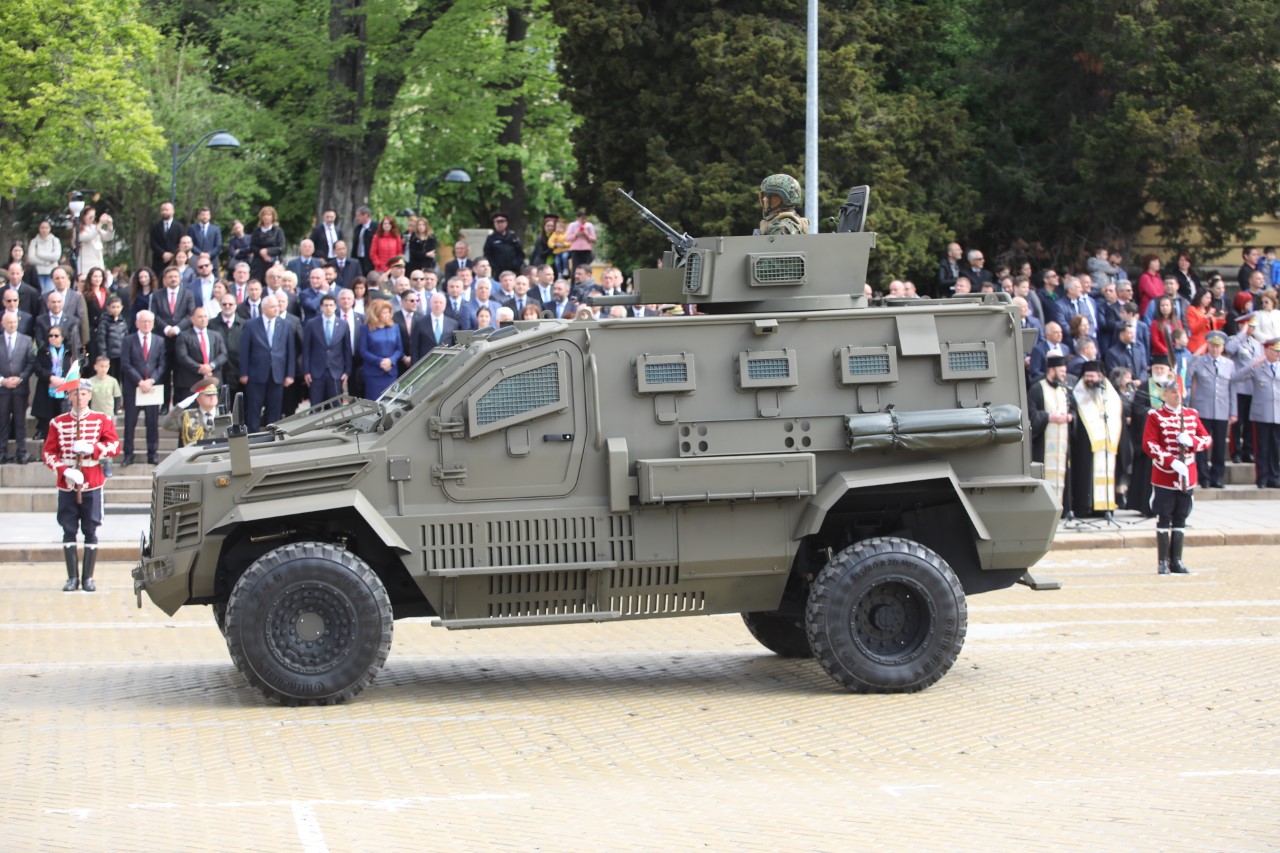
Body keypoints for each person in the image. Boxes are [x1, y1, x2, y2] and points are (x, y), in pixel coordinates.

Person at [43, 379, 119, 591]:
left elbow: (114, 446)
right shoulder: (58, 422)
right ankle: (72, 578)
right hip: (68, 482)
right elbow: (48, 452)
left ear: (90, 396)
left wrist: (93, 448)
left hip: (92, 480)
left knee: (90, 528)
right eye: (75, 394)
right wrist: (64, 470)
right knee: (68, 528)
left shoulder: (102, 419)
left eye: (84, 394)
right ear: (69, 397)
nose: (80, 398)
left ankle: (88, 578)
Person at [1142, 374, 1210, 574]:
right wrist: (1171, 461)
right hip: (1165, 475)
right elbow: (1149, 444)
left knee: (1181, 517)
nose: (1177, 396)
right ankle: (1163, 561)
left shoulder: (1191, 414)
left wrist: (1193, 442)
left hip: (1187, 475)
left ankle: (1176, 561)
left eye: (1179, 392)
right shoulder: (1155, 416)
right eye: (1173, 392)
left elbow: (1206, 439)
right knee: (1164, 517)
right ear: (1165, 394)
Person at [1068, 361, 1123, 518]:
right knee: (1085, 475)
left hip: (1105, 443)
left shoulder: (1109, 393)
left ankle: (1104, 508)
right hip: (1084, 444)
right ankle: (1085, 508)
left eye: (1092, 376)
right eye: (1087, 376)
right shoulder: (1078, 392)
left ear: (1100, 376)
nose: (1090, 379)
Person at [239, 294, 295, 431]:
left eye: (277, 306)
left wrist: (290, 374)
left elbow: (290, 351)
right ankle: (252, 436)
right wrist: (244, 373)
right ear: (264, 309)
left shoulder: (286, 324)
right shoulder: (251, 325)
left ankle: (273, 436)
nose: (276, 309)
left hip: (277, 374)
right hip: (256, 374)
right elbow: (244, 351)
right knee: (254, 408)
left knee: (274, 409)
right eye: (272, 307)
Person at [1027, 354, 1073, 511]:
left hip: (1062, 445)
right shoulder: (1037, 388)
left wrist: (1070, 417)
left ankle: (1062, 509)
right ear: (1051, 370)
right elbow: (1031, 415)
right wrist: (1048, 417)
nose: (1064, 374)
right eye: (1061, 371)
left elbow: (1073, 410)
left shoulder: (1064, 390)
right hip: (1043, 445)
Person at [1189, 331, 1235, 488]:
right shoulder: (1199, 361)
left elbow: (1232, 388)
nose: (1215, 349)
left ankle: (1217, 476)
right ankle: (1204, 477)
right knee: (1201, 444)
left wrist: (1233, 411)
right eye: (1212, 346)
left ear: (1222, 348)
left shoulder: (1229, 364)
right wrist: (1196, 354)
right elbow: (1187, 372)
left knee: (1220, 445)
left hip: (1222, 408)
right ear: (1207, 346)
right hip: (1203, 408)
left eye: (1218, 346)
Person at [119, 309, 165, 466]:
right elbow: (125, 363)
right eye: (143, 321)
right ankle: (128, 454)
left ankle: (152, 454)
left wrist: (151, 380)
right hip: (133, 387)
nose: (146, 324)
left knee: (152, 423)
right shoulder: (128, 340)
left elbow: (162, 364)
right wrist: (140, 381)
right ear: (137, 323)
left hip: (152, 388)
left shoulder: (159, 340)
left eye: (149, 321)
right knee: (129, 423)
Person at [1236, 337, 1280, 488]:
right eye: (1275, 350)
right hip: (1261, 413)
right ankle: (1262, 478)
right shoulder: (1258, 368)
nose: (1278, 353)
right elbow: (1237, 377)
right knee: (1261, 447)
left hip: (1277, 414)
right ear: (1267, 351)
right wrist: (1251, 366)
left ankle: (1274, 477)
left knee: (1276, 447)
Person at [303, 293, 352, 405]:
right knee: (316, 406)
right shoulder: (312, 324)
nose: (328, 308)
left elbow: (347, 349)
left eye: (331, 305)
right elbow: (306, 349)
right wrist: (306, 371)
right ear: (321, 307)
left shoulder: (343, 324)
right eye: (326, 305)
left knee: (335, 406)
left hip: (336, 371)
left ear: (335, 307)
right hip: (316, 372)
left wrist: (347, 371)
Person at [1225, 312, 1261, 462]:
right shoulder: (1235, 340)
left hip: (1252, 387)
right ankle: (1236, 452)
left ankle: (1248, 450)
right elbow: (1229, 350)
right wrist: (1242, 334)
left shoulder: (1257, 344)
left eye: (1253, 326)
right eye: (1249, 325)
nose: (1251, 329)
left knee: (1249, 422)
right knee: (1237, 422)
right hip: (1239, 387)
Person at [0, 311, 35, 463]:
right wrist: (2, 380)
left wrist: (20, 378)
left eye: (14, 322)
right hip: (2, 389)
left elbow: (31, 362)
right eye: (9, 322)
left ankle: (22, 452)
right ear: (3, 324)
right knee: (2, 422)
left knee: (20, 422)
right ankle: (1, 452)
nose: (12, 325)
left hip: (20, 389)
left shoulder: (26, 340)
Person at [162, 376, 223, 447]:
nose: (212, 397)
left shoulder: (224, 415)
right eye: (208, 395)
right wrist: (180, 406)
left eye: (214, 394)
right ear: (198, 398)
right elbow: (167, 424)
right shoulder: (187, 416)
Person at [359, 298, 401, 399]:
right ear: (376, 314)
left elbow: (399, 349)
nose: (387, 315)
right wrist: (380, 361)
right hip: (374, 373)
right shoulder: (366, 328)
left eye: (388, 312)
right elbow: (363, 351)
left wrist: (391, 360)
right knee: (375, 403)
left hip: (390, 372)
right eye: (384, 312)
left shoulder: (394, 327)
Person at [87, 356, 121, 477]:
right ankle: (96, 462)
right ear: (95, 367)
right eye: (101, 366)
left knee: (108, 440)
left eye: (106, 366)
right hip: (95, 416)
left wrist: (115, 413)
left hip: (108, 416)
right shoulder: (90, 381)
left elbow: (117, 397)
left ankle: (107, 463)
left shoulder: (112, 381)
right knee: (95, 440)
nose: (103, 369)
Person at [411, 292, 457, 359]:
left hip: (446, 363)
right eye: (435, 302)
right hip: (425, 363)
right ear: (430, 304)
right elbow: (414, 348)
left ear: (445, 305)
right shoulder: (420, 323)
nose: (438, 305)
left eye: (441, 302)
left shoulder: (453, 324)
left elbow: (455, 346)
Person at [248, 206, 286, 284]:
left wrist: (267, 251)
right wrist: (261, 253)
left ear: (273, 217)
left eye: (269, 215)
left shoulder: (278, 231)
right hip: (258, 263)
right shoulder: (256, 231)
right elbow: (252, 246)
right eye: (264, 215)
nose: (266, 217)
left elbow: (281, 248)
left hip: (273, 262)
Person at [75, 207, 114, 277]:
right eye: (90, 217)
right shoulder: (78, 229)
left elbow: (108, 237)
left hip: (98, 261)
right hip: (86, 263)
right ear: (83, 217)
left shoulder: (94, 227)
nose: (92, 219)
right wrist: (100, 223)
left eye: (94, 217)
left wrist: (110, 225)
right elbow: (88, 237)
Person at [148, 202, 183, 279]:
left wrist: (172, 254)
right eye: (163, 210)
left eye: (167, 210)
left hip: (174, 260)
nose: (164, 212)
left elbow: (180, 242)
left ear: (173, 211)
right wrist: (163, 253)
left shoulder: (179, 227)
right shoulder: (155, 226)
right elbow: (153, 243)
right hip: (159, 260)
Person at [483, 212, 524, 276]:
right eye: (497, 222)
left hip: (514, 270)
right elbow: (487, 254)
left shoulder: (513, 236)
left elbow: (520, 253)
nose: (500, 224)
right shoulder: (491, 238)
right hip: (498, 271)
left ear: (506, 223)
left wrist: (516, 264)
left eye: (502, 221)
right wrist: (495, 266)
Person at [28, 219, 62, 293]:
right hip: (38, 272)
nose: (44, 230)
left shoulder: (55, 240)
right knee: (40, 293)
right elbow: (31, 258)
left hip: (52, 272)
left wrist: (39, 254)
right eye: (42, 227)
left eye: (46, 227)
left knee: (50, 293)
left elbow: (56, 256)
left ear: (50, 228)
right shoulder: (34, 241)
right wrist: (46, 262)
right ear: (39, 228)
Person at [188, 207, 224, 276]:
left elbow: (218, 246)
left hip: (212, 261)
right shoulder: (192, 228)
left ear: (210, 216)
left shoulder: (216, 229)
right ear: (198, 216)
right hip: (196, 261)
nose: (205, 217)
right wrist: (200, 253)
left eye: (207, 215)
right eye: (203, 215)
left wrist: (209, 254)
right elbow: (191, 244)